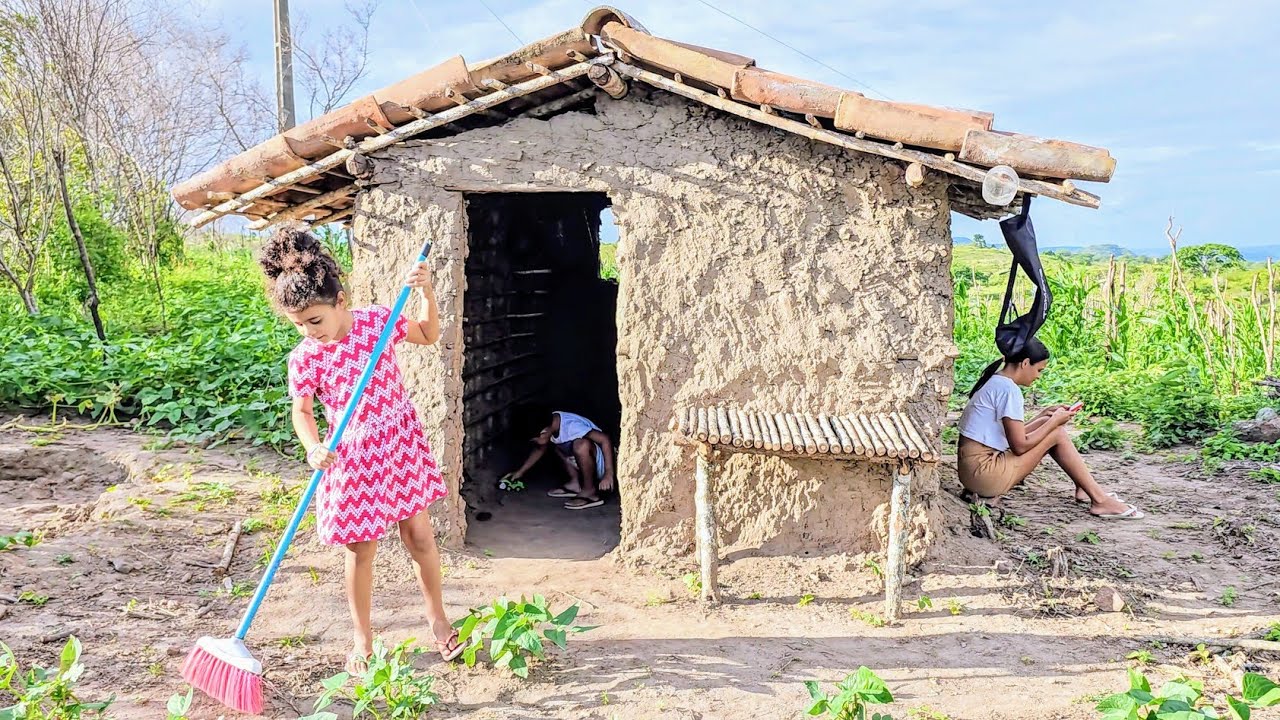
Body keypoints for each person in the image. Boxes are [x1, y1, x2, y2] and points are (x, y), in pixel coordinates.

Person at [259, 226, 463, 674]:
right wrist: (313, 448)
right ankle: (362, 640)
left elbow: (429, 334)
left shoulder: (377, 323)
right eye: (298, 325)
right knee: (361, 551)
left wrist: (426, 291)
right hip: (351, 458)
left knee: (420, 537)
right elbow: (302, 412)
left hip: (397, 443)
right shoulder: (305, 357)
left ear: (340, 302)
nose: (310, 332)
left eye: (316, 320)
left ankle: (438, 620)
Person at [957, 337, 1143, 520]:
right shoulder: (1008, 390)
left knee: (1048, 423)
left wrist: (1045, 416)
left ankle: (1084, 487)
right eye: (1039, 370)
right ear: (1025, 363)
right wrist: (1053, 423)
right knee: (1057, 433)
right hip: (984, 476)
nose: (1038, 376)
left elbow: (1008, 435)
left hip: (973, 473)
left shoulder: (996, 381)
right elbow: (1019, 445)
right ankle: (1099, 500)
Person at [502, 411, 615, 510]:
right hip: (584, 463)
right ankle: (576, 483)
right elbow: (540, 449)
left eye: (535, 440)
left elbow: (605, 439)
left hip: (601, 464)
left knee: (581, 445)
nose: (535, 443)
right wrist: (520, 472)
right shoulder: (551, 424)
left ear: (543, 432)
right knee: (556, 443)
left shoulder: (572, 426)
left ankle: (590, 491)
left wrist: (608, 473)